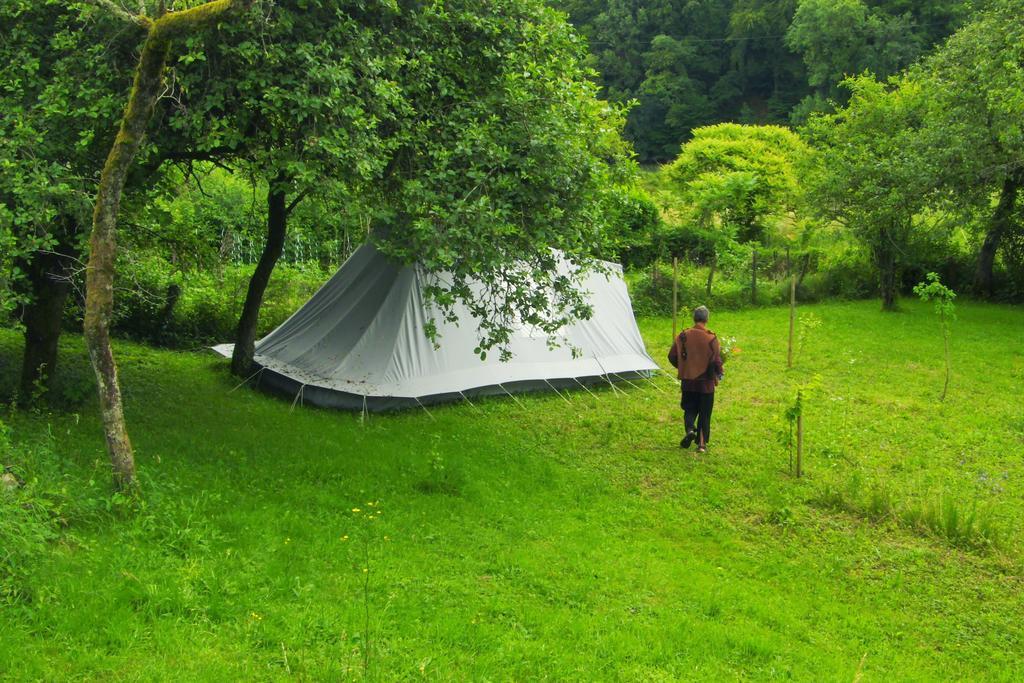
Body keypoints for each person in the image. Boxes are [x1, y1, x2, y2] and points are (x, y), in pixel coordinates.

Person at [668, 305, 723, 453]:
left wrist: (684, 368)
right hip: (706, 383)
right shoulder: (711, 338)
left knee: (689, 409)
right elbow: (716, 360)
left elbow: (672, 356)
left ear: (694, 318)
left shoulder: (683, 336)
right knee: (705, 413)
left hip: (688, 382)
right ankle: (701, 445)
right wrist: (719, 374)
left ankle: (690, 430)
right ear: (707, 319)